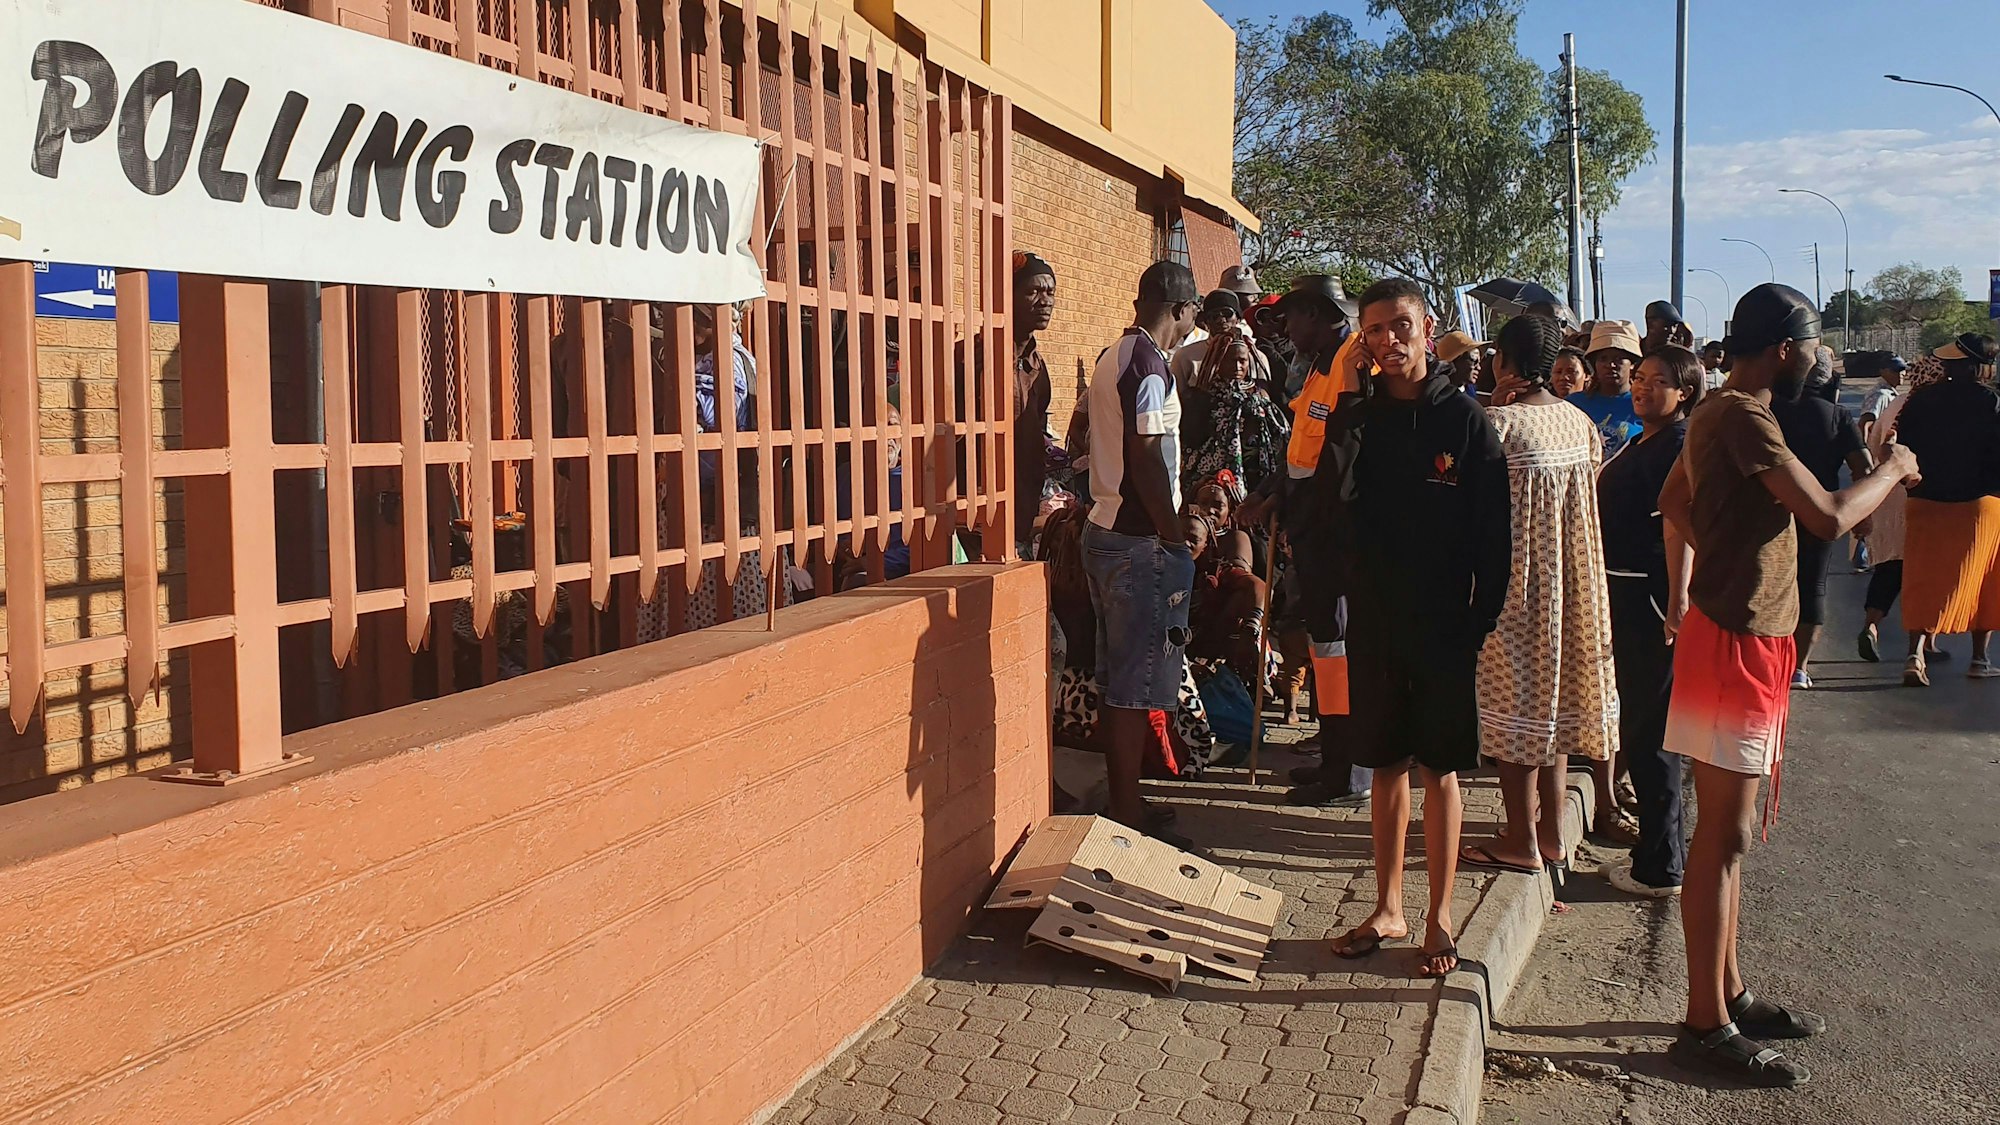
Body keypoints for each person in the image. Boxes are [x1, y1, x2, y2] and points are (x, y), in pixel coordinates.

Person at [1658, 283, 1918, 1086]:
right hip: (1735, 641)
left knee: (1728, 838)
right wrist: (1896, 469)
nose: (1818, 359)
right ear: (1784, 345)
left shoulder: (1725, 411)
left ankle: (1727, 992)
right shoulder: (1741, 412)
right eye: (1812, 344)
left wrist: (1725, 555)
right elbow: (1832, 517)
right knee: (1722, 837)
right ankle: (1703, 1019)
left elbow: (1674, 500)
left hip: (1746, 636)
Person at [1326, 279, 1510, 980]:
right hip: (1376, 620)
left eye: (1400, 325)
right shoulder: (1360, 418)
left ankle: (1438, 914)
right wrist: (1345, 395)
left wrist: (1479, 619)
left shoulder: (1465, 422)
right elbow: (1333, 504)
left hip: (1445, 625)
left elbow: (1496, 533)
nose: (1388, 340)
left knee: (1441, 768)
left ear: (1427, 327)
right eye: (1374, 330)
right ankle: (1387, 906)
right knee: (1385, 766)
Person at [1458, 315, 1617, 882]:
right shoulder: (1579, 422)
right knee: (1549, 707)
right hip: (1574, 585)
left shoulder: (1498, 425)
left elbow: (1468, 508)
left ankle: (1521, 839)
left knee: (1517, 708)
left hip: (1517, 585)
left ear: (1502, 360)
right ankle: (1551, 833)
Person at [1082, 260, 1204, 842]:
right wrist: (1175, 533)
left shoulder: (1115, 356)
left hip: (1108, 531)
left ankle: (1126, 796)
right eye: (1192, 313)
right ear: (1180, 308)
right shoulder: (1149, 367)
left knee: (1118, 681)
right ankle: (1127, 810)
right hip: (1137, 541)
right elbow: (1148, 457)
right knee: (1133, 685)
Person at [1241, 274, 1370, 808]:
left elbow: (1338, 461)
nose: (1284, 326)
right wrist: (1274, 493)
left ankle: (1350, 770)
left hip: (1336, 539)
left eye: (1292, 315)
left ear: (1315, 314)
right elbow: (1302, 449)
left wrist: (1288, 500)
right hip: (1311, 535)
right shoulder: (1318, 363)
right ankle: (1335, 756)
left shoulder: (1349, 363)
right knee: (1326, 651)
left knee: (1339, 651)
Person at [1598, 346, 1703, 898]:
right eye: (1638, 378)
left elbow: (1677, 527)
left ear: (1684, 391)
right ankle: (1658, 852)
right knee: (1643, 724)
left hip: (1650, 598)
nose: (1640, 387)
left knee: (1652, 730)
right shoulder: (1647, 439)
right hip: (1626, 591)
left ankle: (1661, 864)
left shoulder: (1678, 444)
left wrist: (1678, 599)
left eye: (1656, 381)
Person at [1890, 332, 2000, 685]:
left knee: (1922, 577)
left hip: (1925, 499)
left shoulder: (1920, 401)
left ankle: (1914, 654)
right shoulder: (1993, 403)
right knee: (1985, 578)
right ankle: (1980, 659)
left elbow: (1904, 448)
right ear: (1983, 367)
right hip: (1981, 504)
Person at [1769, 381, 1871, 687]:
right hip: (1818, 513)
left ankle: (1769, 659)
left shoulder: (1767, 410)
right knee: (1813, 584)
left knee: (1770, 584)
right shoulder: (1837, 415)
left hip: (1769, 511)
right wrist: (1860, 516)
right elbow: (1864, 467)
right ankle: (1799, 667)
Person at [1181, 328, 1290, 499]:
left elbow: (1279, 436)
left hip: (1256, 474)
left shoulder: (1260, 394)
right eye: (1230, 361)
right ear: (1219, 360)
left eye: (1242, 361)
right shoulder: (1203, 396)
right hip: (1211, 480)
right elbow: (1190, 439)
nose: (1237, 367)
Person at [1011, 252, 1057, 556]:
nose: (1045, 301)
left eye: (1050, 292)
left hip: (1023, 506)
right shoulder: (975, 358)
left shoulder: (1037, 367)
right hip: (976, 512)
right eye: (1033, 291)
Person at [1172, 289, 1268, 393]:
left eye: (1227, 314)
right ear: (1206, 321)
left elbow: (1264, 396)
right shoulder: (1186, 357)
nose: (1221, 320)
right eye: (1214, 316)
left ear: (1238, 319)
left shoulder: (1256, 358)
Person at [1575, 320, 1645, 458]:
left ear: (1632, 363)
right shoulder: (1574, 405)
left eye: (1619, 359)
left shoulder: (1644, 405)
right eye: (1603, 358)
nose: (1610, 364)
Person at [1434, 330, 1487, 398]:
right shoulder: (1436, 396)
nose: (1479, 367)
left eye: (1479, 362)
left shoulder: (1470, 391)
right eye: (1473, 361)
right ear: (1454, 361)